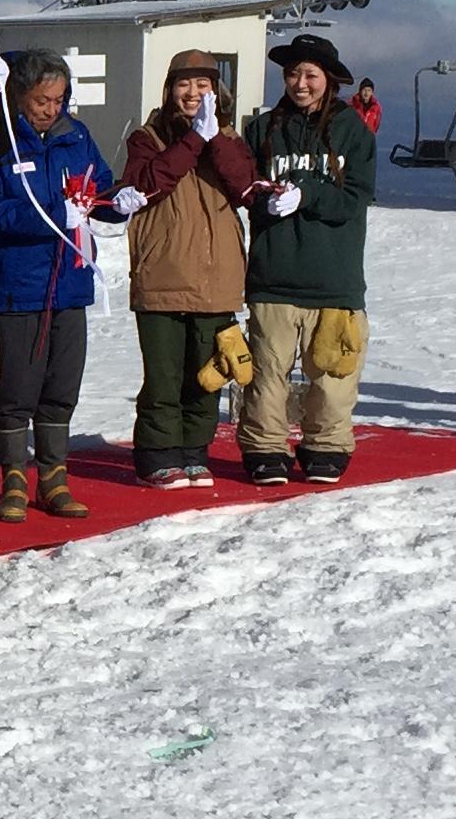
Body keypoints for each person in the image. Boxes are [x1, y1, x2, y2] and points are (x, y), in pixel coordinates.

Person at [0, 47, 110, 521]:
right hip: (16, 281)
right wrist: (48, 216)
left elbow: (99, 184)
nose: (51, 108)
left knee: (63, 381)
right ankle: (13, 476)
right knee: (20, 384)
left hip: (69, 278)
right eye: (42, 100)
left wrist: (116, 201)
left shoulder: (76, 135)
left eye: (59, 99)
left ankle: (54, 476)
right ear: (19, 96)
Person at [234, 33, 377, 486]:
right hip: (273, 277)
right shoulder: (262, 130)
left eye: (310, 75)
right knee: (265, 375)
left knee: (333, 375)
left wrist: (308, 193)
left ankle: (326, 445)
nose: (300, 84)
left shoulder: (353, 131)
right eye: (293, 74)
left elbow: (355, 198)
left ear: (329, 80)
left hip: (334, 280)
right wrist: (264, 200)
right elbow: (242, 187)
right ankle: (265, 447)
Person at [115, 49, 261, 489]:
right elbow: (147, 185)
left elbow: (244, 187)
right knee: (163, 377)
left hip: (217, 279)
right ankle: (157, 456)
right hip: (162, 275)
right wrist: (193, 140)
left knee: (208, 374)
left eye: (203, 85)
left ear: (217, 91)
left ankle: (195, 452)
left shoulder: (230, 139)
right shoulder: (147, 138)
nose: (193, 93)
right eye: (184, 84)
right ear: (169, 90)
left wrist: (214, 139)